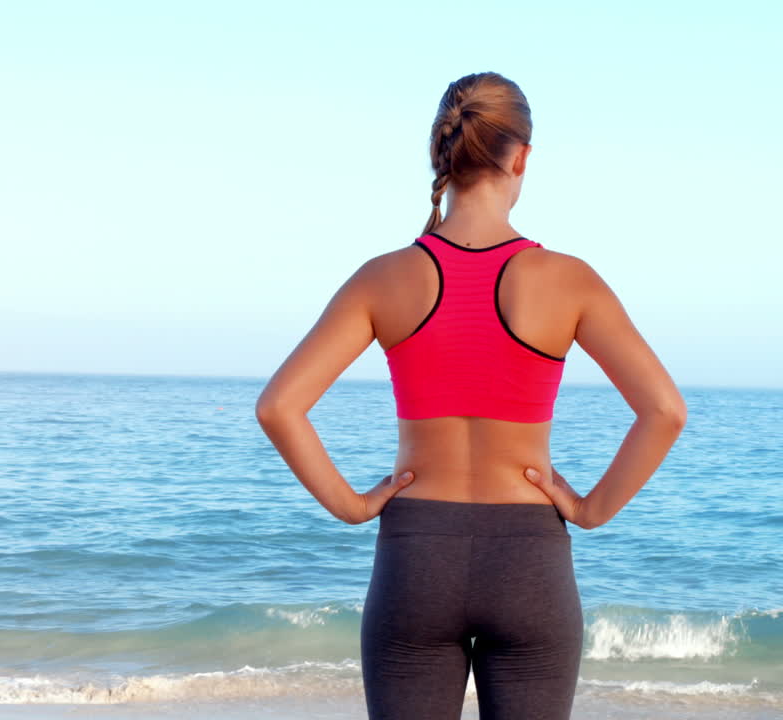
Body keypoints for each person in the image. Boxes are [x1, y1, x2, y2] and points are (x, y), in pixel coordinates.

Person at [254, 71, 686, 720]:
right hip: (529, 559)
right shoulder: (567, 281)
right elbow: (664, 411)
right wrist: (591, 509)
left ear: (442, 155)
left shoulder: (384, 278)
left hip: (417, 555)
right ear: (521, 157)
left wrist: (352, 505)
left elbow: (278, 406)